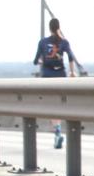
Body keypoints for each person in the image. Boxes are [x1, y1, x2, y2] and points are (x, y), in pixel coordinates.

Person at [33, 17, 77, 149]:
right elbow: (70, 57)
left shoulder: (42, 42)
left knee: (51, 105)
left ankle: (57, 131)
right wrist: (72, 72)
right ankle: (58, 130)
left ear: (49, 28)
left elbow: (36, 61)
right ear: (58, 27)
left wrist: (42, 61)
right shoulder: (64, 42)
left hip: (47, 77)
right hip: (61, 76)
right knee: (60, 104)